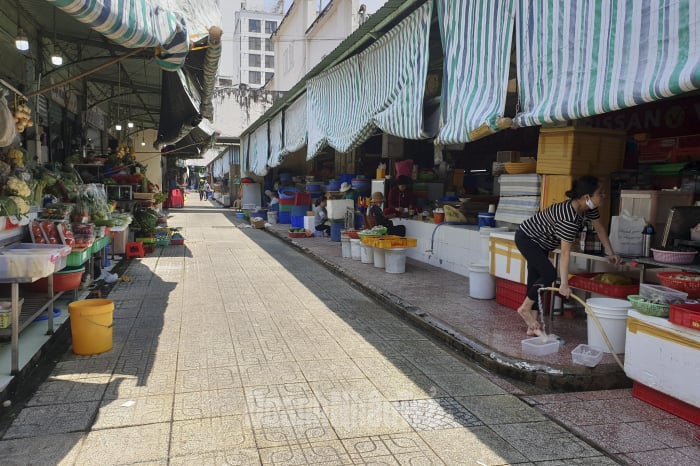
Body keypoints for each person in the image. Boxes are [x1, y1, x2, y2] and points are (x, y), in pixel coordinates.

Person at [514, 175, 622, 336]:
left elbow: (599, 228)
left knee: (536, 278)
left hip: (542, 243)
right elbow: (565, 253)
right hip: (527, 238)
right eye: (601, 193)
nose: (604, 196)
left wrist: (611, 253)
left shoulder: (589, 208)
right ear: (587, 197)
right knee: (548, 274)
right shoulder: (569, 218)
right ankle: (525, 308)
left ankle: (532, 326)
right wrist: (564, 284)